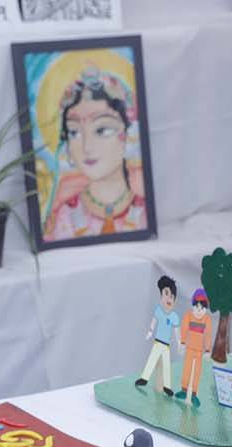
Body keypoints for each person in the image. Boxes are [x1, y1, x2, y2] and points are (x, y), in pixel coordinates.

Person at [43, 66, 148, 242]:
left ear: (128, 134)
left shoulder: (145, 210)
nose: (87, 147)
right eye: (74, 132)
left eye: (102, 130)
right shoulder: (64, 215)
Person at [135, 276, 180, 396]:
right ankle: (144, 378)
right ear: (161, 296)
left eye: (172, 296)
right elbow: (154, 322)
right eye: (166, 294)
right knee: (152, 359)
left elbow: (176, 331)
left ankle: (167, 386)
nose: (169, 298)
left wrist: (180, 343)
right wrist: (150, 331)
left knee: (166, 365)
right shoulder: (159, 310)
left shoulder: (174, 316)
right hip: (158, 342)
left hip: (166, 346)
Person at [178, 288, 215, 406]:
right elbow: (184, 328)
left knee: (197, 372)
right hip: (189, 348)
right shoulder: (188, 315)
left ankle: (194, 393)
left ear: (206, 308)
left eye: (202, 308)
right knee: (187, 369)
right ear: (193, 305)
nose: (199, 310)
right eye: (197, 307)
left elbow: (208, 334)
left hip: (199, 350)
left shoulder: (207, 319)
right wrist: (182, 342)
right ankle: (184, 390)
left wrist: (208, 350)